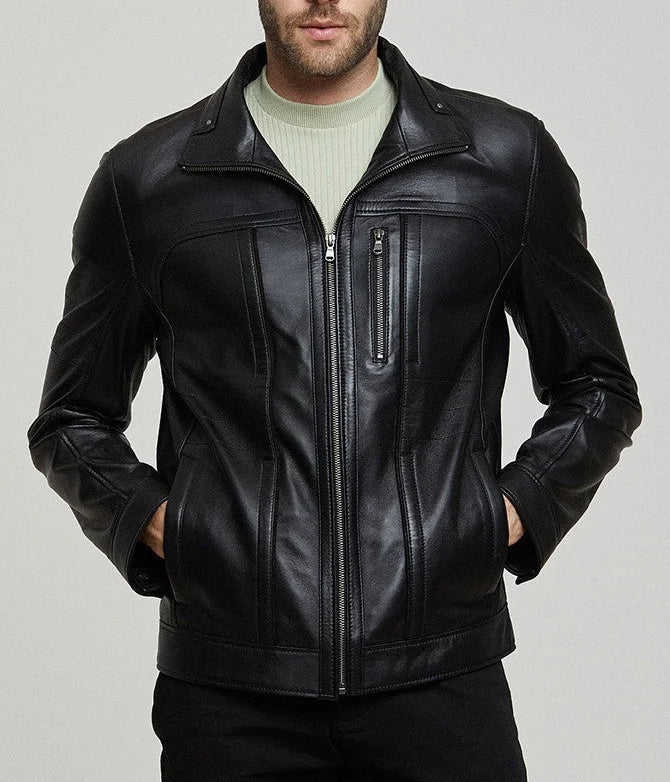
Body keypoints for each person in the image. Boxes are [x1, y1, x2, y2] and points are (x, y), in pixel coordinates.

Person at [26, 1, 643, 779]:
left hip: (443, 676)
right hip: (229, 692)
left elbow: (597, 385)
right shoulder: (149, 181)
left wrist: (501, 515)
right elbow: (72, 418)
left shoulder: (503, 159)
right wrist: (177, 531)